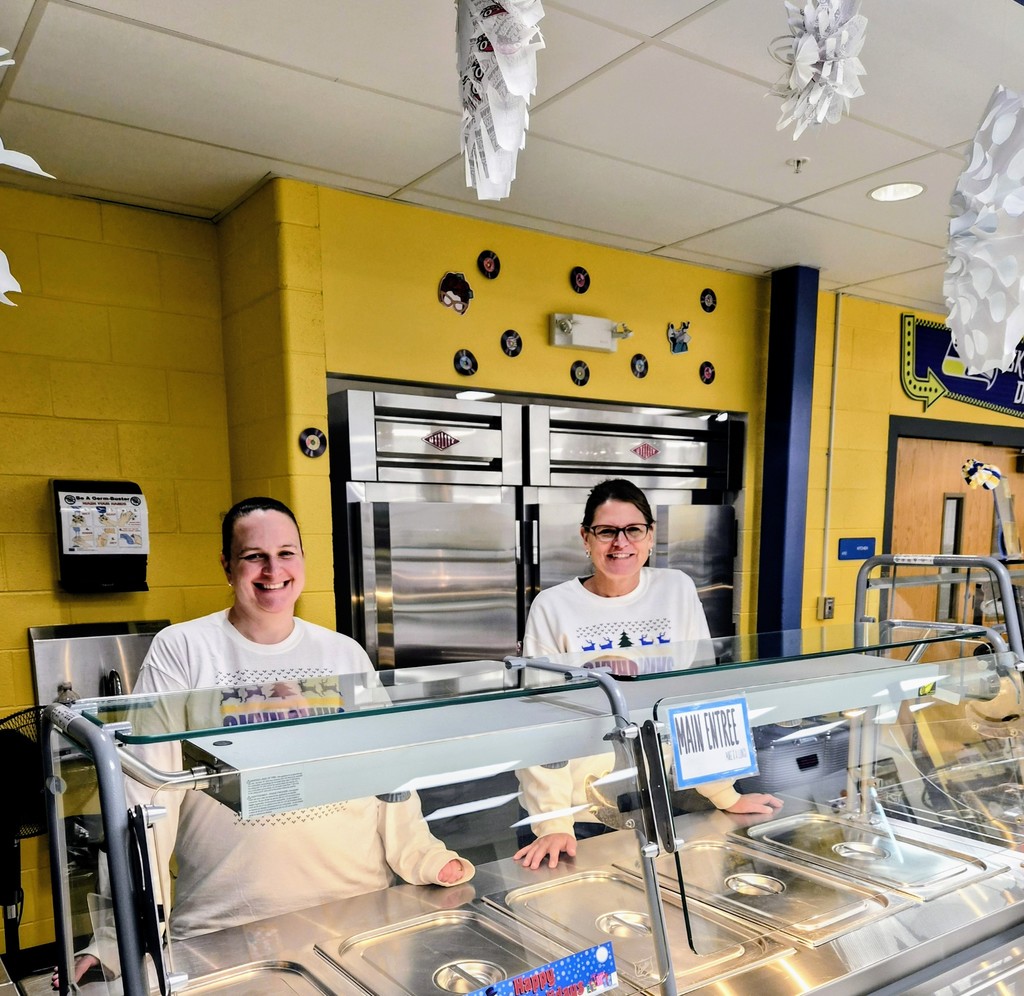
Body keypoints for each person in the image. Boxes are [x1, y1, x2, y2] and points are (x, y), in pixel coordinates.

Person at [66, 497, 472, 984]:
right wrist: (120, 935)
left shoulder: (342, 653)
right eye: (254, 556)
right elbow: (145, 797)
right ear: (227, 565)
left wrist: (423, 855)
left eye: (286, 554)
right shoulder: (184, 650)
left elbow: (387, 773)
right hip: (230, 926)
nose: (273, 571)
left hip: (358, 909)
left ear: (303, 559)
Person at [513, 479, 783, 870]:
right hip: (579, 815)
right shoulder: (552, 606)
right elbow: (541, 719)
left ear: (650, 535)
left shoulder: (677, 589)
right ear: (586, 537)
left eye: (633, 530)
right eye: (606, 531)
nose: (620, 543)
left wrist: (726, 794)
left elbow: (698, 696)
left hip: (668, 797)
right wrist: (553, 823)